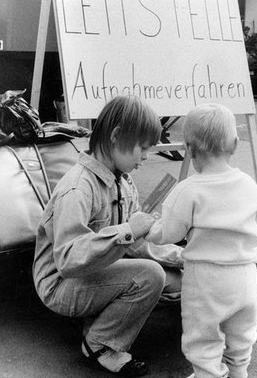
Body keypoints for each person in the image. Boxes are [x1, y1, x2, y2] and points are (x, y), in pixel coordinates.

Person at [33, 95, 184, 377]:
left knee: (178, 281)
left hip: (95, 273)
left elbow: (137, 245)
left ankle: (102, 316)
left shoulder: (123, 182)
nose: (145, 157)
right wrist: (127, 230)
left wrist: (182, 258)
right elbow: (67, 260)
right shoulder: (78, 188)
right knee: (151, 276)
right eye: (143, 148)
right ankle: (99, 344)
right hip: (61, 285)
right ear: (116, 136)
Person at [146, 103, 257, 378]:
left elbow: (168, 234)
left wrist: (150, 228)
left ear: (189, 148)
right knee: (241, 337)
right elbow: (256, 223)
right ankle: (238, 372)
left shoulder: (188, 190)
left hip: (206, 281)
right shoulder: (250, 185)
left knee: (203, 340)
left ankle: (208, 374)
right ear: (235, 144)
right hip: (246, 276)